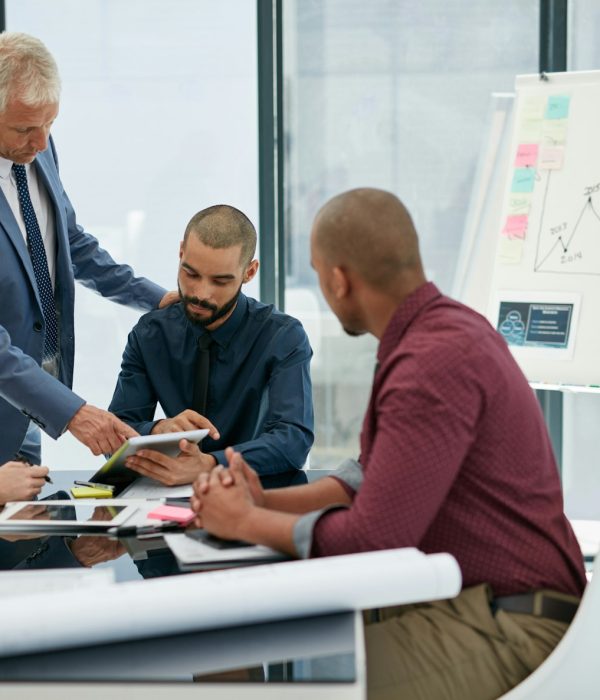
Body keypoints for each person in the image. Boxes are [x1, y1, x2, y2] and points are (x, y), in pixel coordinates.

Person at [190, 188, 586, 699]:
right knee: (271, 650)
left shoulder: (430, 362)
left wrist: (246, 522)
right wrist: (262, 501)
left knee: (306, 680)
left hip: (512, 626)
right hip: (479, 604)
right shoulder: (444, 332)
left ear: (339, 280)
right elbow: (367, 485)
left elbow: (374, 540)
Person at [0, 32, 177, 466]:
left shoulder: (37, 149)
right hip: (19, 395)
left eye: (50, 124)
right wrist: (73, 411)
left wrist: (157, 299)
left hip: (28, 412)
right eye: (25, 128)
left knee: (28, 530)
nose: (41, 143)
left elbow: (69, 244)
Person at [110, 204, 314, 489]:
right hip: (163, 503)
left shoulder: (282, 336)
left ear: (249, 271)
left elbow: (293, 441)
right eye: (191, 274)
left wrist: (209, 464)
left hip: (256, 499)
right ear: (181, 253)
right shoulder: (150, 334)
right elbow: (114, 435)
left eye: (220, 280)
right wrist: (158, 429)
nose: (200, 294)